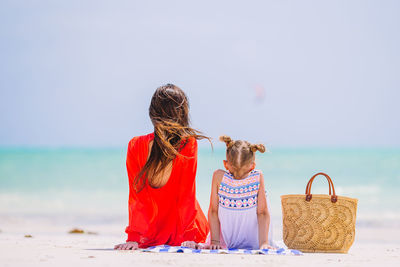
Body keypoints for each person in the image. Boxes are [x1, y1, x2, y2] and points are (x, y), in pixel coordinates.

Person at [114, 84, 209, 250]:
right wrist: (189, 237)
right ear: (183, 114)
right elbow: (186, 195)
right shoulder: (188, 144)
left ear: (152, 114)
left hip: (154, 234)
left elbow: (137, 198)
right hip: (186, 232)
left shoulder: (135, 145)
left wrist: (135, 238)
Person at [183, 136, 274, 250]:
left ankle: (218, 242)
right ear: (252, 166)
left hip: (229, 240)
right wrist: (263, 243)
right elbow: (262, 213)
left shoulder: (219, 177)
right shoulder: (257, 176)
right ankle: (262, 242)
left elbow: (213, 211)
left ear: (226, 164)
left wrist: (215, 242)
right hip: (255, 242)